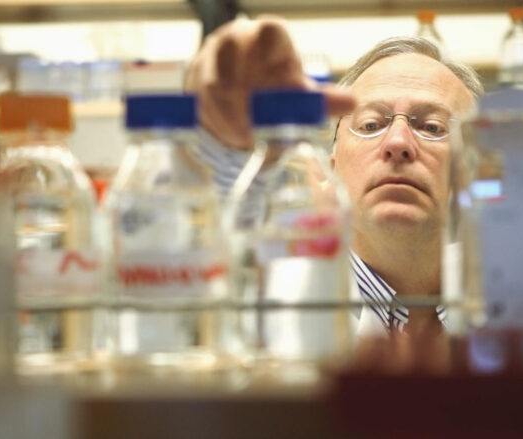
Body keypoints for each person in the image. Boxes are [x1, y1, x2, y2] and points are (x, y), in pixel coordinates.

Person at [184, 18, 483, 341]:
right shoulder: (278, 290)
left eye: (433, 127)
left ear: (476, 172)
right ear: (331, 168)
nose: (398, 143)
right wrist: (218, 137)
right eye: (370, 125)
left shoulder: (516, 299)